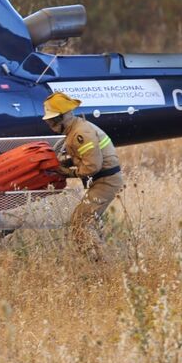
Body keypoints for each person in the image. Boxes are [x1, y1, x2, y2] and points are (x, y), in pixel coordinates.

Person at [42, 92, 124, 260]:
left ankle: (98, 263)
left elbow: (93, 166)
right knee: (87, 221)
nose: (50, 124)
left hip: (106, 180)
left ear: (64, 116)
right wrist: (69, 162)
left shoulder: (80, 134)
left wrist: (69, 172)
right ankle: (101, 259)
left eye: (53, 120)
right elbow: (87, 157)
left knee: (80, 221)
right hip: (102, 179)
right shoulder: (76, 129)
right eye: (48, 120)